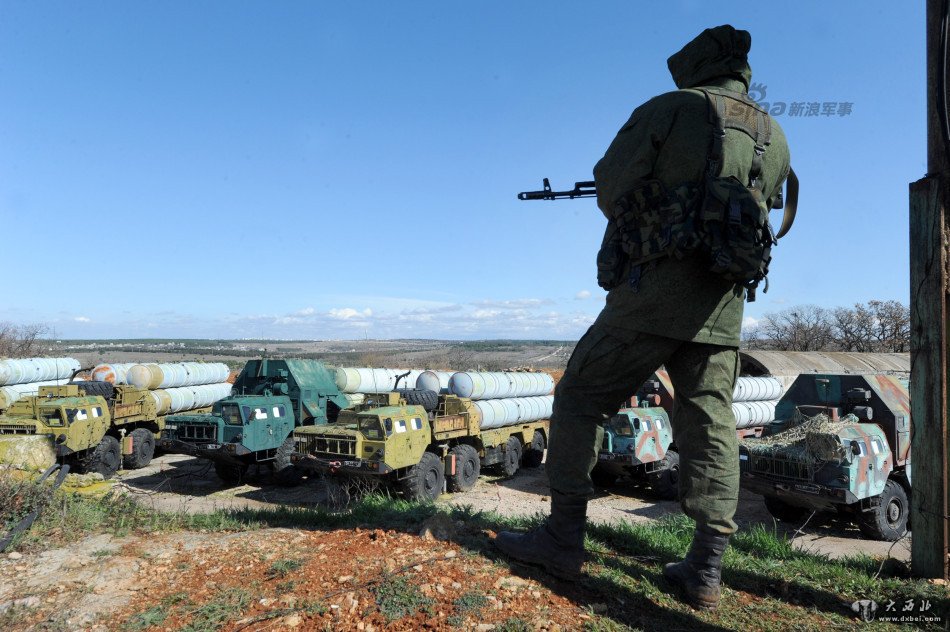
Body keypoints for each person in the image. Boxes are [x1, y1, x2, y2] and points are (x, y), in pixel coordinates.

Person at [494, 25, 791, 611]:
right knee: (711, 421)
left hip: (652, 292)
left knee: (580, 396)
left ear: (696, 65)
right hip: (724, 302)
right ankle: (705, 568)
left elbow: (612, 187)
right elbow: (763, 206)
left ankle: (562, 538)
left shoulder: (672, 108)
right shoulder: (774, 133)